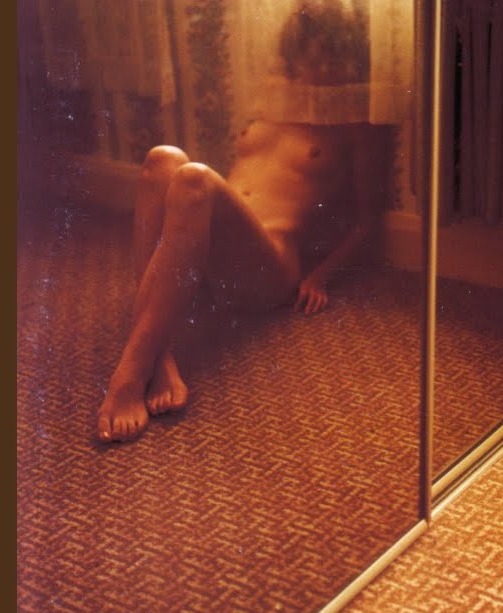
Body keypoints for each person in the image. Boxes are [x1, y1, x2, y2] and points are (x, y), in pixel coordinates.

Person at [96, 1, 385, 443]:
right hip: (208, 257)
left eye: (330, 54)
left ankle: (131, 373)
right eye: (309, 52)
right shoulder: (273, 100)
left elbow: (368, 223)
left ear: (347, 57)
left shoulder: (354, 123)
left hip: (267, 267)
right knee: (162, 159)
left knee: (194, 179)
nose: (319, 65)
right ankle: (162, 355)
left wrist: (320, 276)